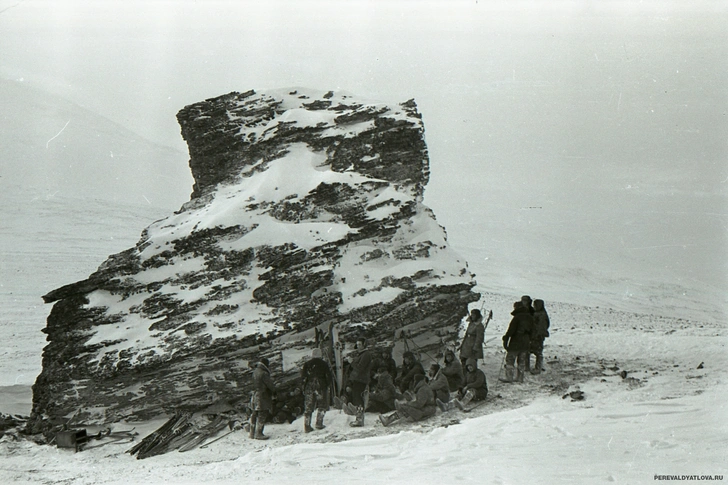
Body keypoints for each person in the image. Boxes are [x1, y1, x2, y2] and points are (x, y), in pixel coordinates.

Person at [301, 348, 333, 432]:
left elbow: (303, 377)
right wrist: (327, 385)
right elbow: (328, 377)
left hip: (309, 386)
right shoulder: (324, 364)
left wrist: (303, 388)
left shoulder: (307, 364)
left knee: (308, 407)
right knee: (322, 405)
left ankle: (307, 426)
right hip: (321, 386)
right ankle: (319, 423)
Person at [501, 301, 534, 383]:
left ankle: (509, 377)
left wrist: (505, 339)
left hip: (516, 341)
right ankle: (520, 378)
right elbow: (534, 331)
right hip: (525, 341)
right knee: (522, 360)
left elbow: (511, 330)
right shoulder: (530, 317)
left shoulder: (517, 317)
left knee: (510, 359)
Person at [347, 336, 373, 427]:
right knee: (356, 397)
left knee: (359, 398)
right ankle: (358, 417)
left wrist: (352, 362)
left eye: (359, 344)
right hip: (358, 379)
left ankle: (359, 419)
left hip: (361, 379)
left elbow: (360, 368)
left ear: (364, 345)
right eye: (357, 344)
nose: (358, 346)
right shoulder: (362, 354)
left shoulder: (366, 355)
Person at [250, 357, 276, 440]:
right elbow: (270, 385)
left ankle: (252, 433)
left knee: (254, 414)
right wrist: (274, 390)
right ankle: (259, 433)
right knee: (262, 413)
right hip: (262, 396)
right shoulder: (264, 373)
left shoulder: (255, 372)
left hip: (254, 395)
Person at [530, 299, 551, 374]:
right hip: (535, 335)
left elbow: (541, 327)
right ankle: (537, 367)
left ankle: (538, 368)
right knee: (536, 351)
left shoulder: (541, 315)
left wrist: (537, 334)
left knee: (538, 352)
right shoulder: (540, 313)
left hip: (537, 336)